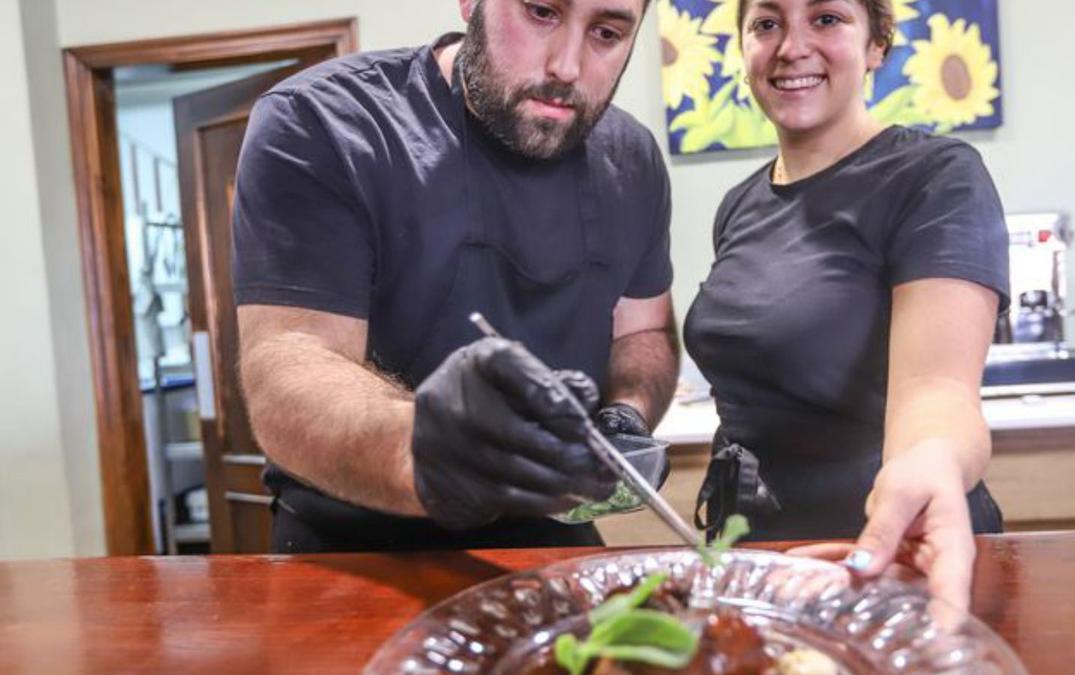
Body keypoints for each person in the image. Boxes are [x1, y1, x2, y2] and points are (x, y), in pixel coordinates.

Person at [232, 0, 679, 553]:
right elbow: (291, 362)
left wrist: (625, 416)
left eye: (607, 33)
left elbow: (645, 331)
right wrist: (422, 449)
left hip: (545, 533)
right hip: (347, 547)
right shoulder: (323, 121)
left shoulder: (632, 159)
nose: (567, 65)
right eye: (541, 12)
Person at [684, 0, 1009, 610]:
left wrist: (932, 460)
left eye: (827, 19)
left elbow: (938, 391)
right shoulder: (740, 203)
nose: (792, 46)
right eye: (767, 23)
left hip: (888, 553)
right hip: (760, 553)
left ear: (876, 45)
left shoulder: (935, 177)